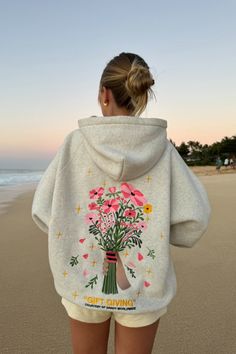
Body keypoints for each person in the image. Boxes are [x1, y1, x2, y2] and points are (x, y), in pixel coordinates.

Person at [31, 52, 211, 354]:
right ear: (141, 95)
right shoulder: (162, 151)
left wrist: (74, 232)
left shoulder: (75, 144)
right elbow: (195, 219)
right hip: (145, 288)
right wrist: (160, 230)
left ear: (104, 94)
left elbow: (42, 210)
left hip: (82, 282)